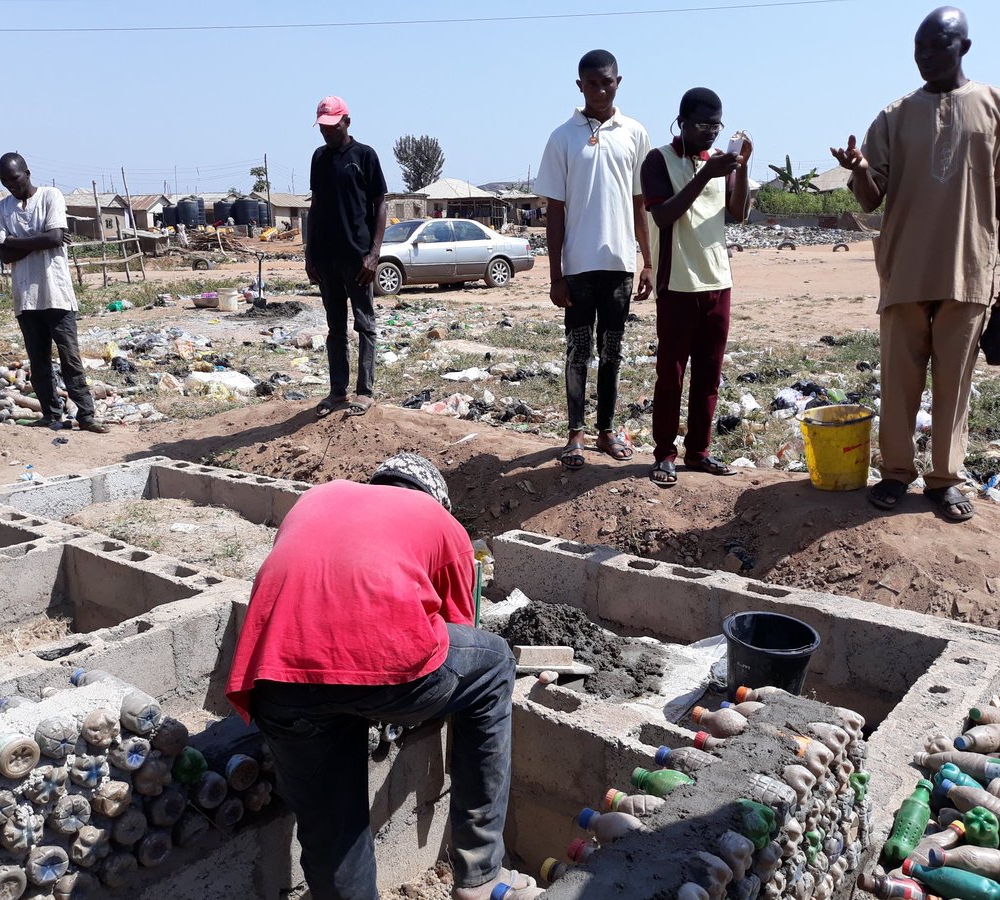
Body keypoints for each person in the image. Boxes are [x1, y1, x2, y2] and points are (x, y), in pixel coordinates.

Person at [227, 453, 540, 900]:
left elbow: (310, 585)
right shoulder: (439, 521)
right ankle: (481, 873)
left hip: (276, 674)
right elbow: (455, 633)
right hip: (386, 661)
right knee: (492, 666)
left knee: (332, 828)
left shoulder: (321, 495)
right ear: (437, 500)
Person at [831, 6, 1000, 522]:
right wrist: (859, 169)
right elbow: (869, 199)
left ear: (963, 47)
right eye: (918, 51)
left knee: (955, 379)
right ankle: (897, 472)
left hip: (969, 263)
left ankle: (945, 478)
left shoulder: (999, 106)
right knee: (900, 376)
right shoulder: (894, 115)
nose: (925, 58)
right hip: (904, 265)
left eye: (936, 48)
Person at [533, 48, 653, 471]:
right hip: (579, 269)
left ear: (618, 82)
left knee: (613, 351)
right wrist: (556, 276)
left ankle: (605, 431)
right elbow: (556, 212)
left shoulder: (635, 133)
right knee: (577, 351)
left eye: (608, 82)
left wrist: (648, 262)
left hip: (619, 263)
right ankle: (575, 435)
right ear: (579, 85)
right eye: (592, 83)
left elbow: (641, 204)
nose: (600, 89)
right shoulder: (562, 137)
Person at [641, 89, 751, 486]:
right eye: (703, 125)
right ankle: (665, 453)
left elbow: (737, 214)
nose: (710, 133)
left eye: (716, 126)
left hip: (718, 282)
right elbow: (664, 214)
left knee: (709, 374)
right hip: (677, 284)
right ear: (682, 122)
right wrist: (707, 173)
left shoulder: (718, 164)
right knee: (671, 374)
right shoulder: (658, 161)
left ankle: (699, 451)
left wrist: (742, 169)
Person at [0, 153, 107, 433]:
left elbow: (55, 238)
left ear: (27, 173)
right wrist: (40, 240)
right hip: (25, 297)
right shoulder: (1, 208)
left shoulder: (50, 196)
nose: (11, 185)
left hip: (56, 293)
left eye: (15, 179)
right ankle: (50, 414)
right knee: (39, 362)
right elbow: (5, 254)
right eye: (5, 181)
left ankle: (86, 415)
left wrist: (17, 242)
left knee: (70, 359)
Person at [305, 95, 388, 419]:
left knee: (364, 324)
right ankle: (337, 391)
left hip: (357, 259)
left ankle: (365, 392)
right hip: (326, 258)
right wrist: (309, 255)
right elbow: (315, 207)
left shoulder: (364, 156)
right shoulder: (319, 158)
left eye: (332, 126)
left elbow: (380, 204)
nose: (327, 133)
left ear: (347, 122)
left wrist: (374, 254)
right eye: (322, 128)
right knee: (335, 327)